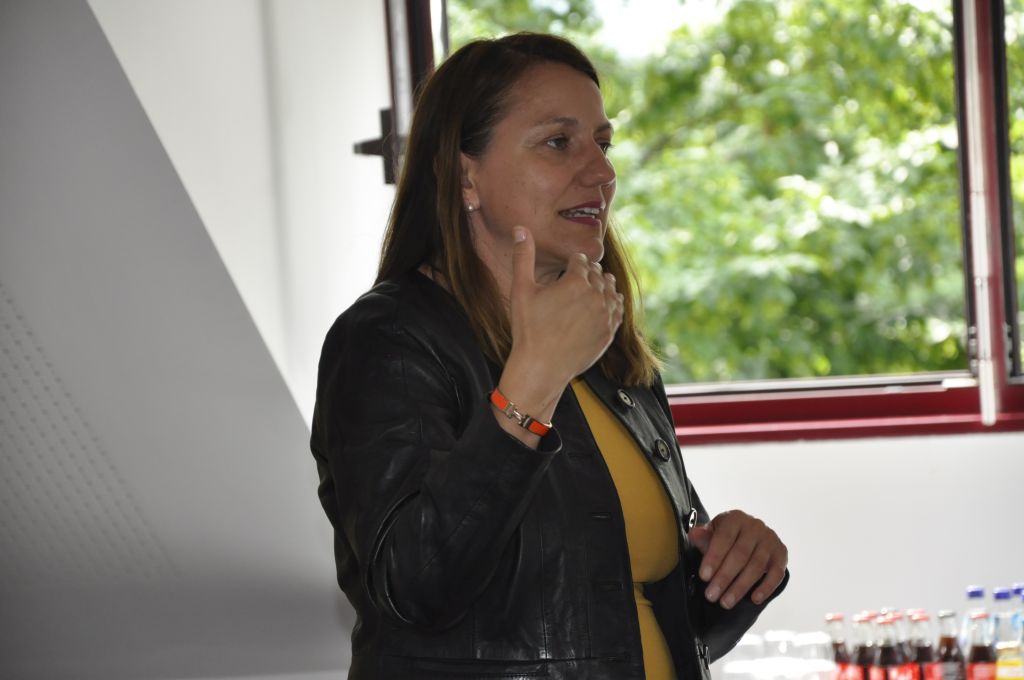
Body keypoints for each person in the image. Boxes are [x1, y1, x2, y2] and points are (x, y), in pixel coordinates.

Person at [310, 32, 789, 680]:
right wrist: (534, 382)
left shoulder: (607, 346)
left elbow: (632, 617)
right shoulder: (387, 339)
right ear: (465, 175)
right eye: (559, 142)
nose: (601, 173)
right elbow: (415, 589)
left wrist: (737, 566)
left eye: (603, 143)